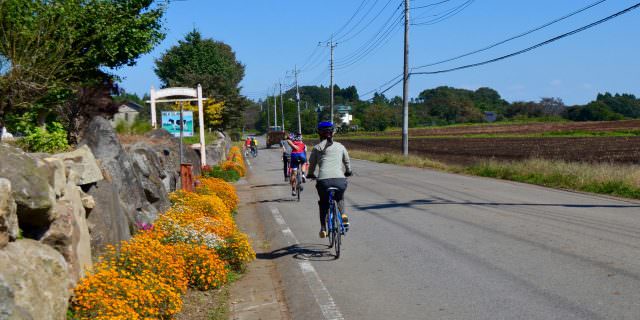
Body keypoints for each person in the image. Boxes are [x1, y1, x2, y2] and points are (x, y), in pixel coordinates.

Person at [306, 122, 352, 238]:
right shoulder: (340, 146)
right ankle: (342, 215)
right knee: (339, 197)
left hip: (323, 181)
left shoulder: (317, 148)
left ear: (319, 133)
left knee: (323, 203)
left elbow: (311, 165)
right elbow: (347, 162)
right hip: (340, 180)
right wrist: (348, 171)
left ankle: (323, 228)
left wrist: (310, 174)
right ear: (333, 133)